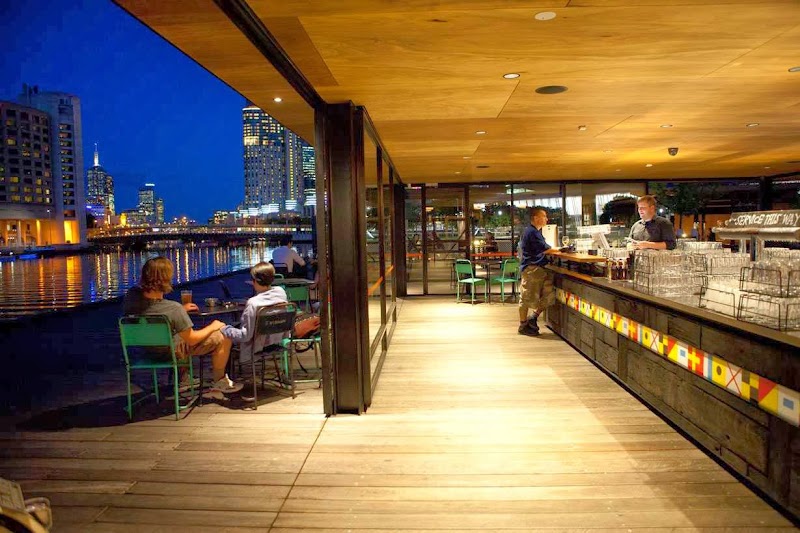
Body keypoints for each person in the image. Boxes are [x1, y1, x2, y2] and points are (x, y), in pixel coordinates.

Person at [122, 256, 243, 394]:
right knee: (223, 336)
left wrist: (179, 311)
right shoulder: (173, 309)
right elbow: (192, 339)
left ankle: (184, 378)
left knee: (178, 335)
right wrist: (213, 326)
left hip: (144, 351)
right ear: (166, 279)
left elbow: (154, 309)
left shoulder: (131, 296)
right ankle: (219, 381)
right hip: (170, 353)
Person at [220, 262, 288, 361]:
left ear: (255, 281)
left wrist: (224, 329)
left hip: (256, 346)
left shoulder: (253, 303)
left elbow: (245, 336)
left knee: (224, 334)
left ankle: (221, 369)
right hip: (275, 340)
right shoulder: (281, 293)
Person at [518, 207, 561, 337]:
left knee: (548, 295)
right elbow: (545, 249)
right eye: (544, 216)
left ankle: (533, 317)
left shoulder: (535, 231)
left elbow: (545, 248)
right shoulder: (532, 232)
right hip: (532, 269)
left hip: (538, 269)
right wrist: (561, 249)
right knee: (526, 297)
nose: (547, 219)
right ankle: (523, 325)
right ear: (536, 218)